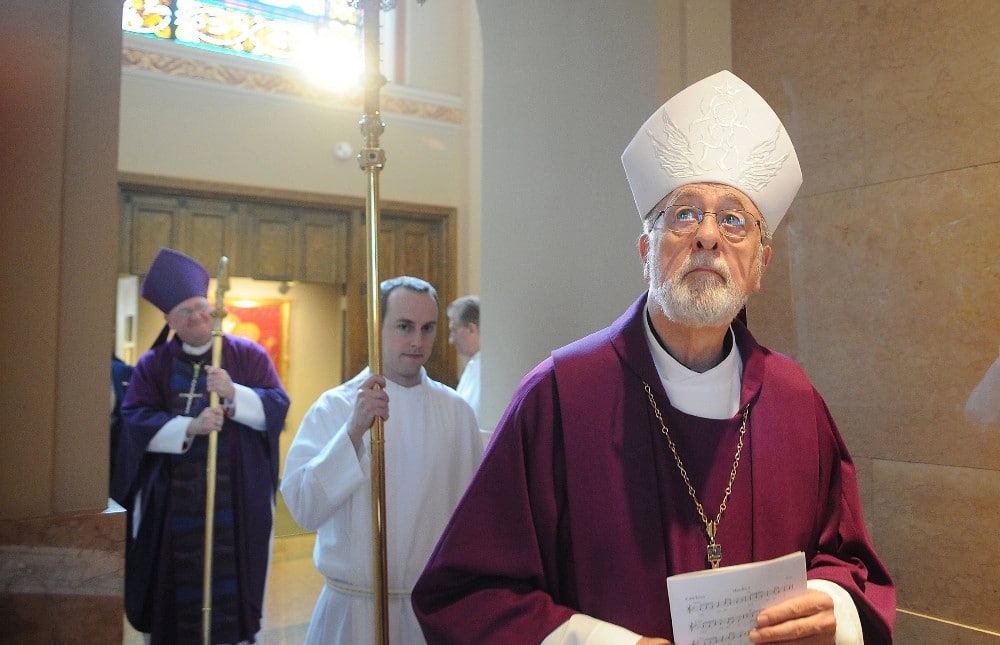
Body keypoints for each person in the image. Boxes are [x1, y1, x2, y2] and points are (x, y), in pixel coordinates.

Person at [412, 70, 895, 644]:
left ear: (761, 266)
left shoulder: (795, 400)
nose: (709, 236)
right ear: (646, 251)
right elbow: (466, 594)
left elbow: (851, 566)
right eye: (685, 214)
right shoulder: (562, 395)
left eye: (734, 219)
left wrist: (830, 610)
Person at [280, 276, 484, 644]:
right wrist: (354, 432)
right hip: (351, 614)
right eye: (404, 327)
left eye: (428, 328)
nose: (417, 341)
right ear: (378, 327)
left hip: (427, 614)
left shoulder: (457, 413)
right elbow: (302, 509)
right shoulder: (335, 407)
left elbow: (474, 521)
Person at [111, 247, 290, 644]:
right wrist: (189, 427)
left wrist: (233, 394)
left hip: (236, 500)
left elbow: (278, 406)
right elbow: (135, 421)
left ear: (212, 306)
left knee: (231, 597)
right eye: (183, 313)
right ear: (168, 320)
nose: (195, 318)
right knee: (174, 602)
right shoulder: (153, 365)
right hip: (172, 507)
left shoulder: (247, 355)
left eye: (199, 307)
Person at [447, 295, 481, 423]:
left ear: (471, 329)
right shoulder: (474, 365)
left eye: (453, 330)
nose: (451, 340)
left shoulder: (486, 371)